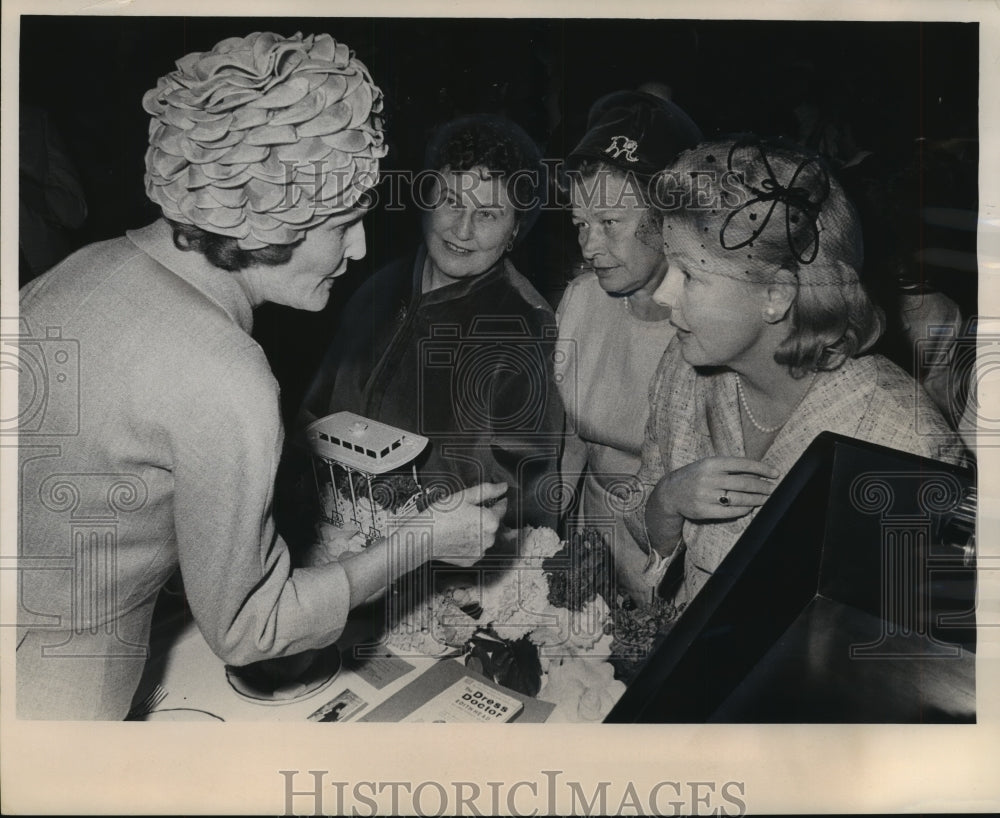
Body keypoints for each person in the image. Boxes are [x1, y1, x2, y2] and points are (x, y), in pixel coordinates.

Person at [16, 32, 507, 721]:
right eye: (344, 224)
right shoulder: (226, 374)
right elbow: (253, 628)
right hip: (54, 691)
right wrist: (421, 542)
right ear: (272, 216)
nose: (360, 250)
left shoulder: (79, 270)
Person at [625, 136, 966, 606]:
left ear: (777, 295)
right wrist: (666, 502)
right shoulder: (686, 367)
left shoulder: (902, 441)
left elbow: (900, 645)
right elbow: (647, 522)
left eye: (690, 275)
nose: (663, 296)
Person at [298, 113, 564, 534]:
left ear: (516, 229)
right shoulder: (376, 288)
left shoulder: (521, 324)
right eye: (452, 201)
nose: (463, 229)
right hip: (335, 535)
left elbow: (527, 499)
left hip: (439, 563)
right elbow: (312, 416)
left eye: (490, 215)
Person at [554, 90, 702, 602]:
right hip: (588, 545)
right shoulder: (580, 299)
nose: (590, 247)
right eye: (580, 225)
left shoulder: (708, 327)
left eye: (610, 224)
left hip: (672, 564)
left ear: (667, 219)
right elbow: (569, 442)